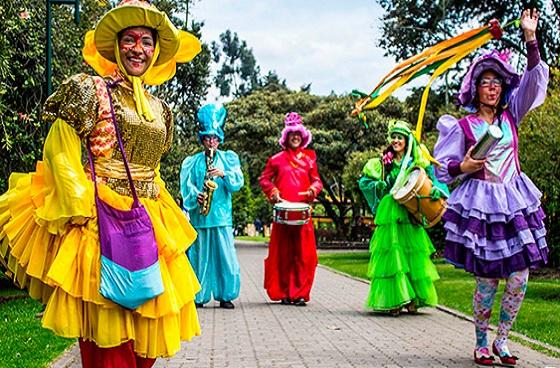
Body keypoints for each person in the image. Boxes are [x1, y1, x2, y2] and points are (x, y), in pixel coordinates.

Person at [0, 1, 203, 366]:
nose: (138, 48)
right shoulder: (91, 90)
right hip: (101, 222)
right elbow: (60, 147)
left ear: (156, 51)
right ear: (116, 45)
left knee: (147, 333)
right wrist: (78, 203)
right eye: (130, 39)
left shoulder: (161, 109)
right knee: (108, 335)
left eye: (146, 41)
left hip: (148, 221)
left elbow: (152, 167)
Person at [433, 9, 549, 366]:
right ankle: (481, 342)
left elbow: (533, 81)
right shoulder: (462, 126)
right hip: (481, 205)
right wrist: (463, 166)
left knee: (519, 276)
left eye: (498, 82)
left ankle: (503, 340)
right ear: (476, 88)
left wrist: (531, 39)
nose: (494, 87)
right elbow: (442, 168)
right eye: (486, 81)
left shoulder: (512, 114)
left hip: (514, 201)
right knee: (487, 280)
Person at [359, 120, 448, 316]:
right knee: (393, 254)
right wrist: (377, 186)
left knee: (412, 255)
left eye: (400, 137)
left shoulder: (417, 161)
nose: (397, 141)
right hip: (391, 211)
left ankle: (414, 298)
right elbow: (364, 182)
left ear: (407, 141)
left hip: (410, 212)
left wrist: (435, 190)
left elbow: (435, 181)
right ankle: (396, 299)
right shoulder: (382, 163)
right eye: (394, 137)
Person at [180, 104, 244, 310]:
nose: (211, 142)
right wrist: (194, 194)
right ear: (202, 139)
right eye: (207, 138)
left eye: (214, 138)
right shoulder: (192, 161)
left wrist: (223, 174)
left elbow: (237, 183)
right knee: (198, 258)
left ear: (220, 139)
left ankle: (226, 295)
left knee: (226, 257)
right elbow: (186, 185)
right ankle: (198, 296)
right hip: (200, 217)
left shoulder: (228, 158)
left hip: (222, 217)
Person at [258, 112, 323, 307]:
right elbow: (264, 179)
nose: (295, 137)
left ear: (303, 136)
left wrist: (313, 189)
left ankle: (300, 293)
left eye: (298, 134)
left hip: (303, 213)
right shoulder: (276, 159)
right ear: (286, 137)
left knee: (304, 255)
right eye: (291, 134)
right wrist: (274, 192)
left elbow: (317, 180)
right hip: (283, 214)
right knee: (283, 255)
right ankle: (284, 292)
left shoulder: (310, 159)